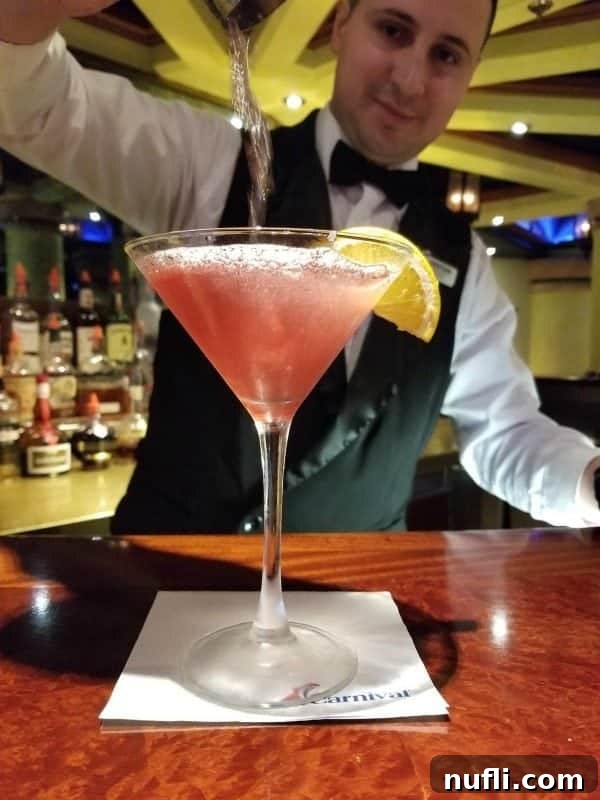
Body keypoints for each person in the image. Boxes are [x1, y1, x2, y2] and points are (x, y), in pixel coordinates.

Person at [0, 0, 599, 532]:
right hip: (162, 578)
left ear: (468, 76)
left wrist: (592, 484)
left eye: (446, 55)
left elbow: (507, 430)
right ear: (340, 25)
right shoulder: (208, 164)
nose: (410, 79)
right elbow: (39, 109)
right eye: (393, 30)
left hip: (354, 597)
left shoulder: (462, 261)